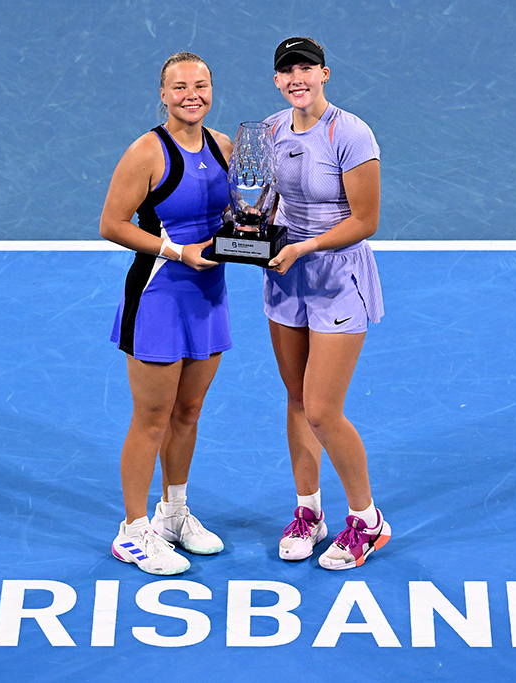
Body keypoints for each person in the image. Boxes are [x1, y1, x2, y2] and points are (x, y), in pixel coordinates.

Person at [99, 52, 233, 576]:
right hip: (157, 296)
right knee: (152, 418)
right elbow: (112, 224)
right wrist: (177, 252)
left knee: (188, 412)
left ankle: (173, 514)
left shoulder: (225, 147)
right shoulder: (146, 151)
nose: (191, 95)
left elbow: (237, 215)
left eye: (200, 85)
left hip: (209, 296)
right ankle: (133, 532)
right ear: (163, 94)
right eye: (179, 87)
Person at [263, 37, 390, 570]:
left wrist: (306, 246)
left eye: (306, 68)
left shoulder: (350, 132)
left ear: (325, 74)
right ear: (277, 80)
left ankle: (367, 520)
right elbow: (267, 199)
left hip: (335, 277)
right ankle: (309, 512)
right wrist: (254, 231)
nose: (297, 77)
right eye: (287, 70)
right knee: (296, 398)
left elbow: (365, 221)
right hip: (286, 276)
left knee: (322, 409)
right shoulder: (269, 130)